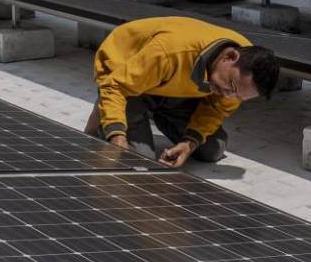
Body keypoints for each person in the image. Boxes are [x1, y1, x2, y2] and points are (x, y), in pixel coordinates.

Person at [84, 16, 282, 167]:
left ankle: (162, 114)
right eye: (230, 87)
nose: (228, 95)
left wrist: (189, 144)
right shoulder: (169, 51)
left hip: (175, 88)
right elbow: (116, 86)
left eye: (238, 96)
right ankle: (105, 111)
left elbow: (216, 110)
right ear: (229, 57)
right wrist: (117, 136)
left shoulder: (237, 80)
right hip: (128, 79)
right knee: (135, 159)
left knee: (212, 149)